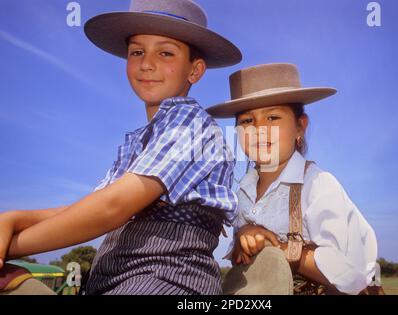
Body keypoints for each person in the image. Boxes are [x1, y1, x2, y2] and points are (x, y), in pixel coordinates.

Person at [0, 0, 242, 295]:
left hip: (166, 279)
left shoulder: (192, 123)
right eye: (137, 52)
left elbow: (111, 208)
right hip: (111, 279)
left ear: (195, 70)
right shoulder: (139, 140)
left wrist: (12, 247)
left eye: (165, 52)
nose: (147, 63)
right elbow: (88, 208)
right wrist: (14, 218)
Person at [207, 63, 378, 295]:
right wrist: (243, 237)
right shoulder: (242, 193)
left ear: (300, 126)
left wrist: (280, 248)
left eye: (273, 117)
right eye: (247, 121)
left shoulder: (317, 185)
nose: (259, 129)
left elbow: (353, 274)